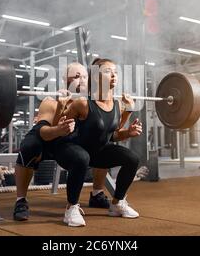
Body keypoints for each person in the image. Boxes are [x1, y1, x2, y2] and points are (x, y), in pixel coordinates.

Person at [13, 62, 132, 222]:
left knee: (101, 142)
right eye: (76, 77)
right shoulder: (51, 102)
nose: (82, 80)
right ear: (65, 80)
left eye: (84, 76)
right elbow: (45, 134)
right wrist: (60, 121)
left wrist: (127, 121)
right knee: (30, 145)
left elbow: (111, 133)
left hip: (71, 145)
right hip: (48, 141)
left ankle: (97, 194)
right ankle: (20, 200)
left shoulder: (90, 104)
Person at [51, 58, 142, 226]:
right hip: (69, 149)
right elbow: (58, 130)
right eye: (108, 71)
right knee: (81, 157)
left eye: (115, 72)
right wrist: (60, 107)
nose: (114, 75)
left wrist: (128, 124)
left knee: (132, 159)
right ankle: (71, 208)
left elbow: (111, 134)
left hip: (95, 152)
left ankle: (117, 203)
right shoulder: (82, 103)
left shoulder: (116, 104)